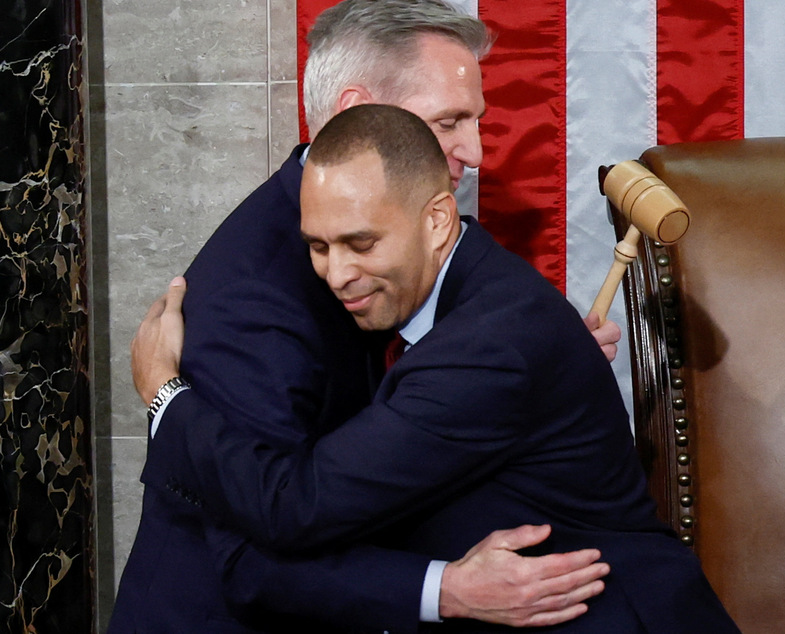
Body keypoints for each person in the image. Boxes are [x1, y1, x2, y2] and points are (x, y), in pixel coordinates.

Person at [110, 2, 619, 632]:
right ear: (357, 116)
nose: (476, 151)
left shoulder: (418, 257)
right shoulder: (257, 302)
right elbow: (259, 542)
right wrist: (165, 396)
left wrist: (545, 369)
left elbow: (427, 397)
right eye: (449, 121)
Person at [133, 104, 740, 633]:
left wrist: (165, 394)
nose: (336, 273)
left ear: (437, 220)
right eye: (319, 247)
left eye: (361, 243)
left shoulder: (491, 347)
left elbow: (295, 504)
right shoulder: (465, 301)